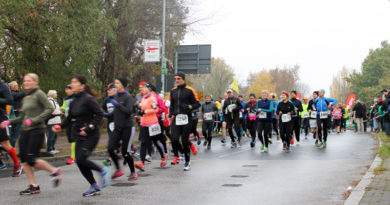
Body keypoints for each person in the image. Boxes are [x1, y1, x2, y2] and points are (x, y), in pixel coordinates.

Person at [1, 73, 61, 194]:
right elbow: (23, 116)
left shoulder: (39, 94)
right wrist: (8, 121)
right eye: (25, 81)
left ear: (35, 82)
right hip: (25, 131)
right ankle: (34, 185)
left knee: (31, 159)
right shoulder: (26, 96)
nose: (26, 83)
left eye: (29, 81)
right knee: (24, 160)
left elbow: (49, 109)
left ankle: (54, 171)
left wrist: (34, 120)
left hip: (36, 130)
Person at [52, 75, 110, 197]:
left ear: (82, 85)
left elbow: (99, 114)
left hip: (91, 135)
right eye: (71, 82)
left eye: (75, 82)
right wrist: (60, 126)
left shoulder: (88, 99)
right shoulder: (73, 101)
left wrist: (89, 128)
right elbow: (69, 118)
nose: (72, 84)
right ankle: (94, 186)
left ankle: (102, 170)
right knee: (79, 161)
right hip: (79, 135)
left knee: (82, 159)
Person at [105, 77, 138, 180]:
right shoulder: (115, 96)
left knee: (125, 152)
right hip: (117, 127)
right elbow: (115, 113)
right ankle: (119, 170)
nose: (115, 85)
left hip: (128, 127)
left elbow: (129, 111)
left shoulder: (127, 97)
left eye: (118, 83)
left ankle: (133, 172)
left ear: (123, 85)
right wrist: (105, 114)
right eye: (115, 83)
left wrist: (118, 105)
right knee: (110, 148)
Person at [169, 72, 200, 171]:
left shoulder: (190, 90)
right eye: (175, 78)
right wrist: (171, 113)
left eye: (178, 78)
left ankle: (187, 162)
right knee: (173, 139)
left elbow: (197, 104)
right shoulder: (173, 91)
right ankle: (183, 152)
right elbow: (172, 104)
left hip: (187, 118)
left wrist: (189, 107)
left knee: (185, 141)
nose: (176, 80)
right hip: (176, 118)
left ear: (183, 79)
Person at [0, 79, 22, 177]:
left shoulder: (3, 86)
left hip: (1, 119)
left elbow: (10, 100)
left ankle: (17, 165)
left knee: (5, 144)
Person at [101, 83, 117, 166]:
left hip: (119, 123)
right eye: (107, 90)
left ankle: (129, 149)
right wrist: (103, 113)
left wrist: (106, 114)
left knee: (117, 141)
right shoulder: (107, 99)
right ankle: (110, 158)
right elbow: (103, 108)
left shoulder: (119, 98)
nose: (108, 91)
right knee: (112, 140)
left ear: (115, 90)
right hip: (110, 123)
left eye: (110, 90)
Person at [8, 81, 26, 147]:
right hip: (16, 116)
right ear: (14, 87)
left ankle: (10, 149)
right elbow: (21, 94)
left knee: (15, 133)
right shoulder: (12, 94)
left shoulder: (16, 94)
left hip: (19, 115)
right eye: (17, 86)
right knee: (15, 134)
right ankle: (10, 150)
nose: (18, 87)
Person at [62, 85, 76, 165]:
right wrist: (61, 109)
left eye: (67, 89)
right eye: (66, 89)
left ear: (71, 90)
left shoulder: (75, 97)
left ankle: (73, 157)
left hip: (75, 121)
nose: (66, 91)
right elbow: (64, 108)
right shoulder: (65, 99)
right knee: (71, 139)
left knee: (74, 139)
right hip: (68, 121)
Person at [46, 90, 62, 154]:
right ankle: (49, 149)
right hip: (52, 120)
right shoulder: (50, 101)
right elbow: (52, 111)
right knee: (51, 135)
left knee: (55, 135)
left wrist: (59, 109)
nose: (56, 94)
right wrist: (59, 112)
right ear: (52, 94)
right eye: (55, 93)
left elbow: (55, 109)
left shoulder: (54, 101)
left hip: (56, 120)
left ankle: (52, 147)